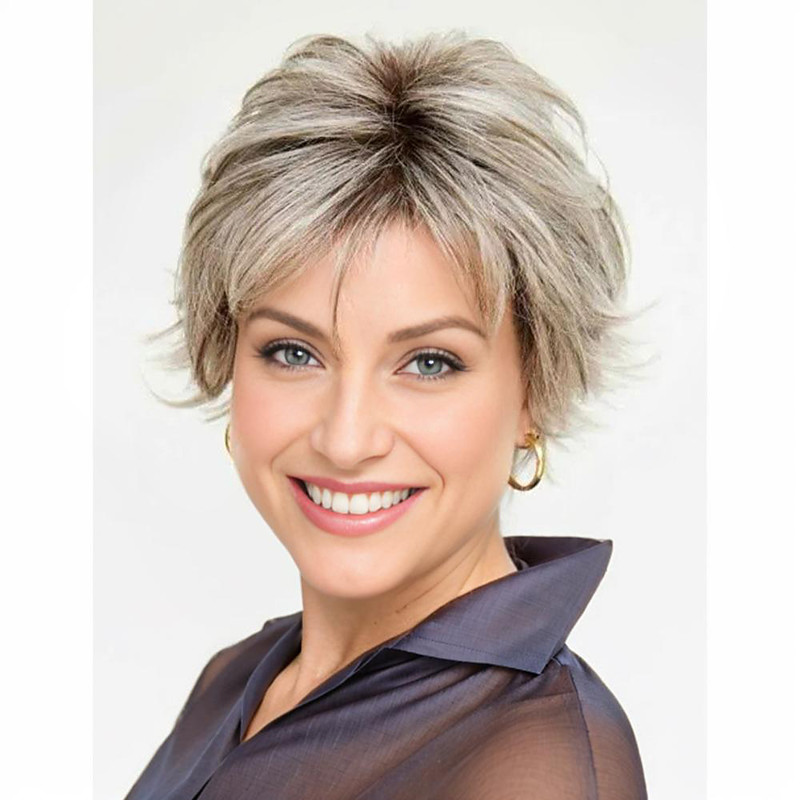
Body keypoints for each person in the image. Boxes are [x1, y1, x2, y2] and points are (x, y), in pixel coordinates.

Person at [127, 30, 649, 799]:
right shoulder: (235, 680)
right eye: (293, 352)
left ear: (533, 392)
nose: (346, 439)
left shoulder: (532, 766)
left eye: (429, 363)